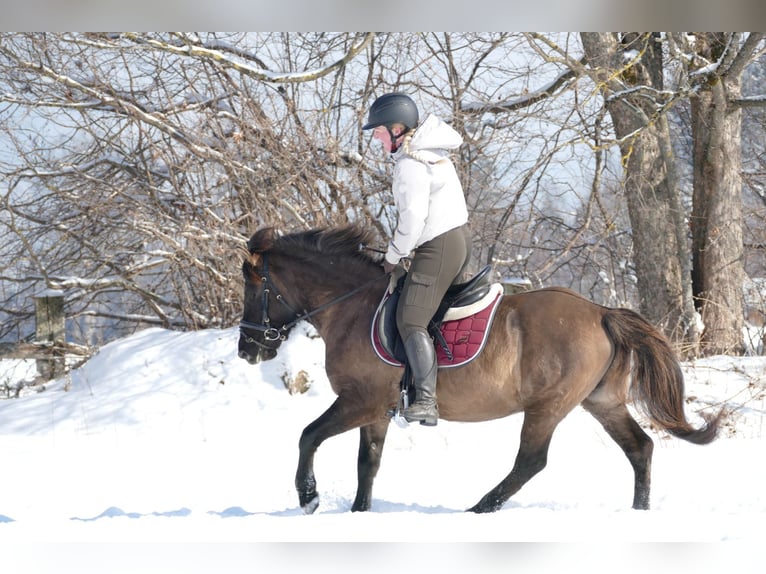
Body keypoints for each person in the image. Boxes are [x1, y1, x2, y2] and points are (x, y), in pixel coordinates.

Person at [363, 92, 472, 426]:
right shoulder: (428, 155)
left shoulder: (412, 163)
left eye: (379, 131)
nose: (376, 137)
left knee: (410, 319)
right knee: (429, 313)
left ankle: (425, 401)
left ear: (397, 129)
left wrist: (392, 256)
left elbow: (412, 219)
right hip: (455, 240)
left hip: (437, 245)